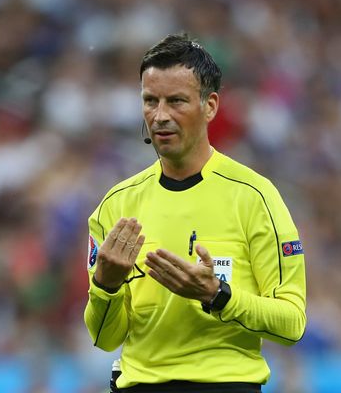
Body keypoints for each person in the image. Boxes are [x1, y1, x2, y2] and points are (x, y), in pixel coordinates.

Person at [83, 33, 306, 393]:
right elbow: (105, 338)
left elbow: (292, 323)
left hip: (224, 385)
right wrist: (105, 285)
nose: (160, 116)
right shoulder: (116, 205)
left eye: (176, 101)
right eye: (150, 101)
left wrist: (218, 295)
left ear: (210, 106)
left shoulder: (254, 197)